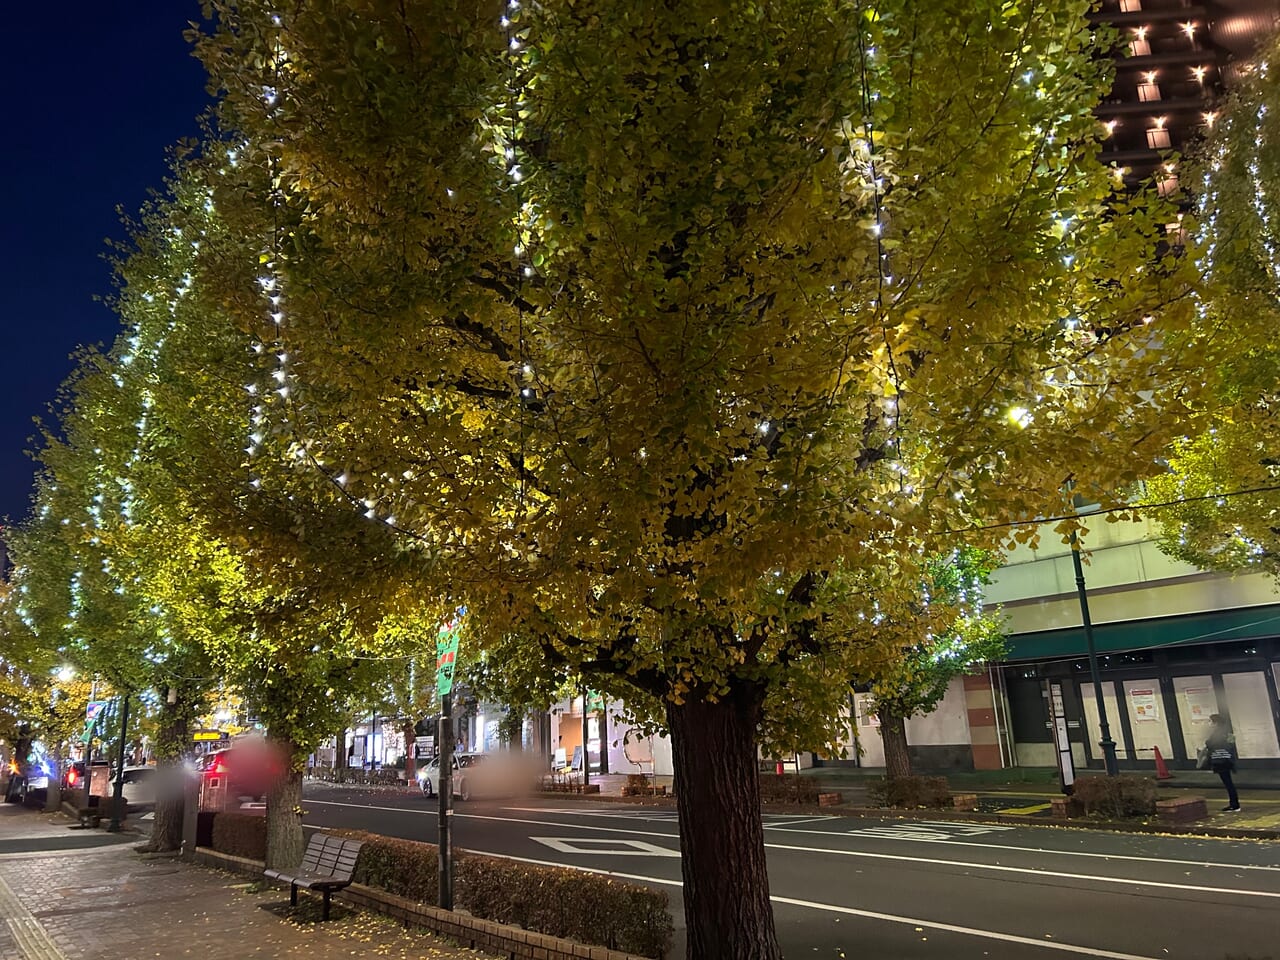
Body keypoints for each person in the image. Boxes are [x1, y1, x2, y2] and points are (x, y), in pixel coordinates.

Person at [1205, 714, 1240, 812]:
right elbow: (1231, 744)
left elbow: (1211, 744)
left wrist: (1207, 742)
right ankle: (1234, 803)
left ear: (1216, 723)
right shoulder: (1227, 732)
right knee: (1228, 782)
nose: (1210, 723)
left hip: (1220, 760)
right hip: (1227, 759)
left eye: (1211, 721)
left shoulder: (1218, 733)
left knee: (1228, 783)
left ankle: (1234, 805)